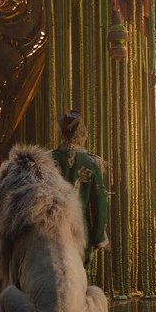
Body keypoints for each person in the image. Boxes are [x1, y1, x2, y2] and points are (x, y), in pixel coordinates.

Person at [51, 110, 110, 258]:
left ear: (63, 134)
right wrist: (99, 237)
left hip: (50, 233)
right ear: (82, 135)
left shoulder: (47, 159)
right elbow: (99, 202)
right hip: (80, 235)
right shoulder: (92, 162)